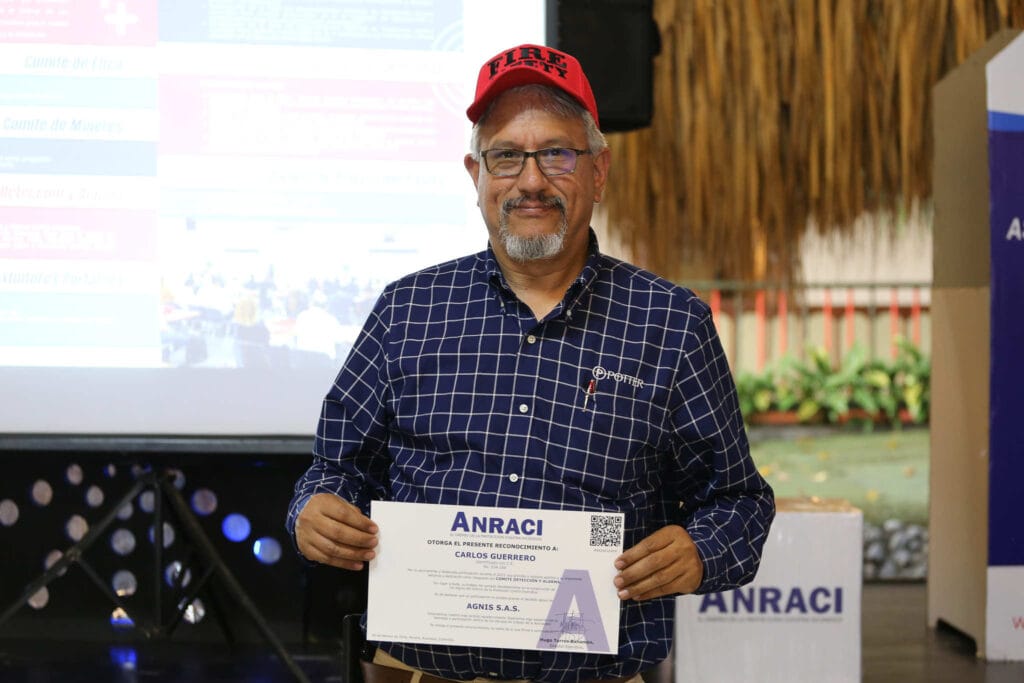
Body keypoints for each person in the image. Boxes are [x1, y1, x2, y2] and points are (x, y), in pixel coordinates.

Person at [287, 43, 775, 683]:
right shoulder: (408, 308)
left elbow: (739, 501)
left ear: (599, 171)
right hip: (415, 673)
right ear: (476, 174)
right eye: (506, 156)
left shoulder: (671, 323)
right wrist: (314, 512)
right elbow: (337, 469)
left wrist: (702, 550)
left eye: (557, 154)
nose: (531, 179)